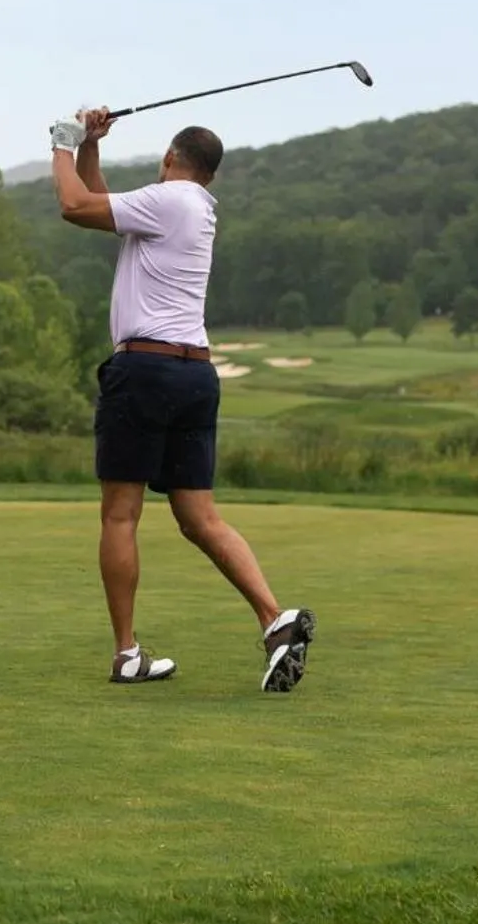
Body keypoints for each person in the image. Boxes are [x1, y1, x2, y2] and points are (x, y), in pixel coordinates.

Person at [49, 108, 315, 693]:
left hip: (145, 369)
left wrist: (63, 142)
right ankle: (274, 620)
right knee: (199, 518)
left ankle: (127, 653)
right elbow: (101, 205)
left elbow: (74, 205)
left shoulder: (168, 199)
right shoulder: (192, 206)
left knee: (121, 514)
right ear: (210, 174)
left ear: (169, 158)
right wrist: (91, 146)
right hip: (194, 374)